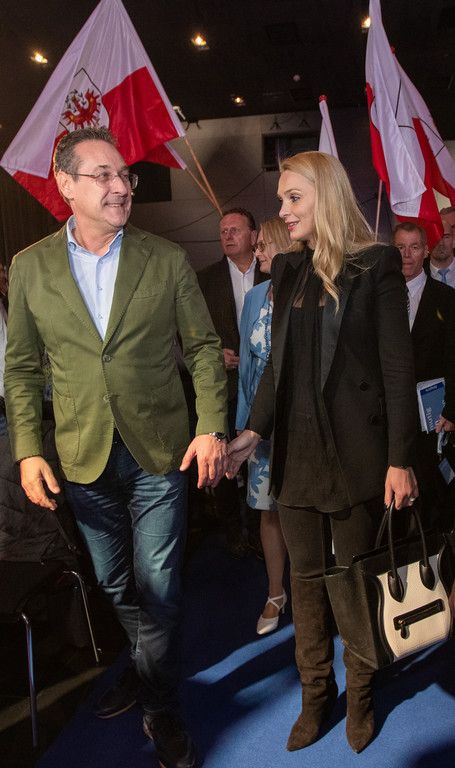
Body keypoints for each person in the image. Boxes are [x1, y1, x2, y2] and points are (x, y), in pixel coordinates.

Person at [4, 126, 228, 768]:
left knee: (160, 585)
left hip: (161, 451)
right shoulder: (31, 266)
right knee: (114, 582)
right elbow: (21, 368)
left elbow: (204, 348)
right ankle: (144, 663)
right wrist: (28, 449)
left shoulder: (166, 258)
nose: (121, 186)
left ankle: (160, 705)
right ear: (65, 185)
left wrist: (211, 426)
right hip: (81, 457)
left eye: (124, 174)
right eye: (102, 175)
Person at [227, 151, 418, 754]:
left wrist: (400, 459)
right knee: (305, 584)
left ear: (326, 195)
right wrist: (251, 434)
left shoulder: (376, 265)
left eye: (293, 198)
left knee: (355, 582)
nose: (282, 211)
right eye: (280, 200)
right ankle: (316, 696)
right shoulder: (287, 270)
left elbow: (398, 370)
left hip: (357, 457)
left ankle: (360, 695)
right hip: (296, 458)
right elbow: (276, 370)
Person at [198, 208, 267, 556]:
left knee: (258, 455)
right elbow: (189, 333)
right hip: (222, 386)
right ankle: (232, 530)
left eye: (235, 230)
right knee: (223, 456)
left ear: (253, 236)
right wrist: (215, 355)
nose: (227, 236)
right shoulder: (205, 279)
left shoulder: (272, 271)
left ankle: (258, 529)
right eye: (223, 231)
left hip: (262, 384)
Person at [236, 217, 290, 634]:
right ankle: (275, 593)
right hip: (261, 428)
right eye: (256, 247)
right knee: (268, 514)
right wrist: (243, 427)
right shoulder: (255, 296)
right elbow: (246, 368)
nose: (258, 253)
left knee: (303, 514)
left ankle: (317, 592)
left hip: (300, 424)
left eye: (264, 245)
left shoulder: (312, 291)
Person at [393, 221, 455, 529]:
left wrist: (452, 410)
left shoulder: (446, 298)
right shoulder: (378, 298)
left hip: (432, 420)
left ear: (426, 251)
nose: (406, 255)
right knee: (394, 508)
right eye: (400, 247)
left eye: (414, 247)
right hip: (390, 420)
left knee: (432, 502)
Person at [428, 216, 455, 288]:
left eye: (446, 237)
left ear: (454, 240)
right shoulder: (416, 275)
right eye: (435, 237)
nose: (441, 243)